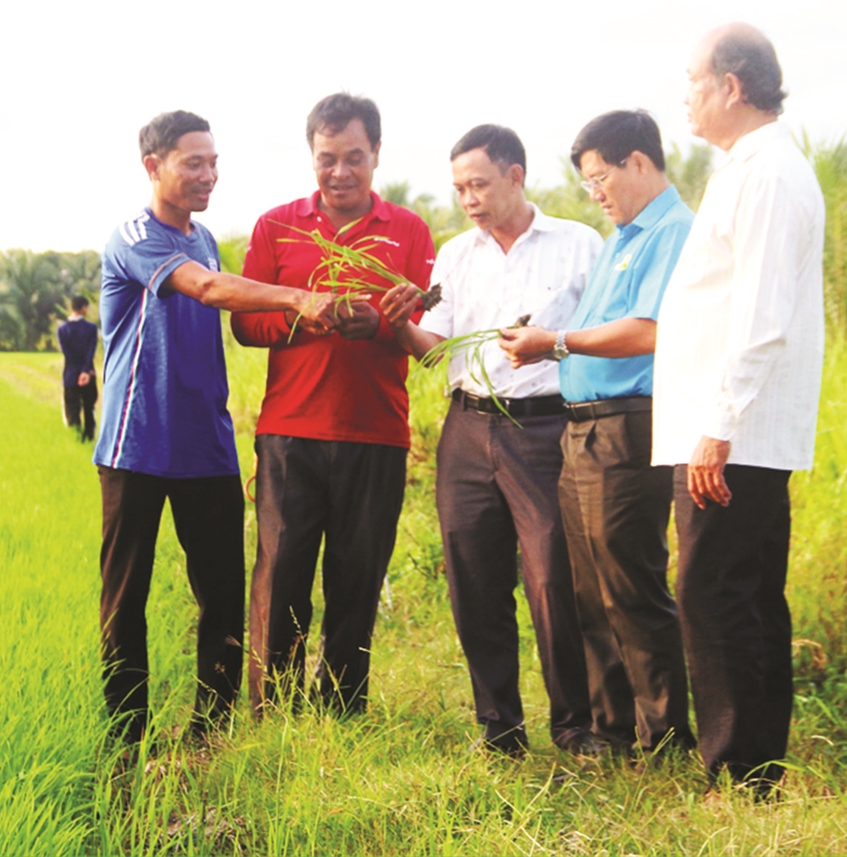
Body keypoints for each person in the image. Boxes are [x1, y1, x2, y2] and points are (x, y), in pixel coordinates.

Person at [94, 110, 335, 747]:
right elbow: (205, 289)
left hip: (206, 446)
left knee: (224, 596)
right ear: (153, 166)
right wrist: (294, 296)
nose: (209, 175)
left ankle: (212, 732)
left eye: (214, 162)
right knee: (126, 599)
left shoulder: (204, 238)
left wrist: (313, 318)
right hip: (136, 445)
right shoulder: (135, 236)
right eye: (193, 163)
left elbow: (227, 301)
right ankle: (128, 738)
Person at [379, 125, 602, 756]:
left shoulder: (578, 245)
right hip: (468, 428)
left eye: (479, 184)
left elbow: (603, 338)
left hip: (548, 425)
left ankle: (574, 724)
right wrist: (399, 328)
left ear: (515, 175)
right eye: (459, 189)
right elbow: (434, 350)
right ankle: (500, 726)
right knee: (473, 577)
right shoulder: (455, 255)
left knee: (553, 576)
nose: (469, 199)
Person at [654, 24, 825, 791]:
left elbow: (761, 315)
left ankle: (738, 768)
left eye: (693, 79)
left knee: (717, 591)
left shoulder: (766, 174)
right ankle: (754, 766)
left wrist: (716, 428)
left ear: (731, 85)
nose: (683, 94)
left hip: (734, 432)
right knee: (740, 593)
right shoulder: (749, 168)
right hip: (732, 426)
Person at [499, 110, 696, 759]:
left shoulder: (673, 231)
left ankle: (664, 738)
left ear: (638, 162)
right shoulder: (622, 237)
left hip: (628, 427)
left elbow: (650, 329)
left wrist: (554, 342)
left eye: (599, 179)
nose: (596, 194)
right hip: (579, 430)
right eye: (588, 185)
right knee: (588, 587)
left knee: (630, 584)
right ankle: (611, 733)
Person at [231, 93, 435, 716]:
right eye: (327, 158)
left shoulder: (409, 231)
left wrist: (374, 321)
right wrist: (306, 315)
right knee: (282, 569)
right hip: (290, 432)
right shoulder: (277, 227)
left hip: (376, 432)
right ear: (311, 157)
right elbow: (245, 324)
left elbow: (420, 327)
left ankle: (342, 705)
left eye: (354, 157)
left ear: (376, 154)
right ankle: (275, 705)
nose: (340, 172)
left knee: (358, 573)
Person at [57, 294, 98, 442]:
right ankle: (89, 437)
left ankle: (76, 439)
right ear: (84, 308)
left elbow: (67, 353)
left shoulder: (62, 330)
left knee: (72, 409)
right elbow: (90, 351)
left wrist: (77, 371)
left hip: (70, 374)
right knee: (89, 408)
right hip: (89, 374)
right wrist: (85, 371)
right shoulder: (91, 328)